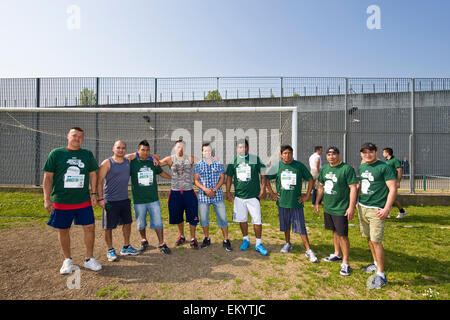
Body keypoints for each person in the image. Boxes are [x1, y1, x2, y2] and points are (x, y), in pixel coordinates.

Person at [42, 127, 102, 274]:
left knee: (90, 227)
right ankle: (67, 260)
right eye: (74, 135)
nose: (77, 138)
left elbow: (93, 174)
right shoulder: (56, 153)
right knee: (63, 229)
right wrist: (46, 199)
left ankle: (89, 259)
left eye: (80, 136)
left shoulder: (87, 154)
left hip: (83, 200)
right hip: (62, 200)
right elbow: (48, 177)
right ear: (67, 136)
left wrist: (94, 193)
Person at [266, 145, 318, 263]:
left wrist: (307, 195)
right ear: (281, 155)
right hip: (282, 202)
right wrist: (272, 194)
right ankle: (288, 243)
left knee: (301, 227)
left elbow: (310, 179)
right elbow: (267, 178)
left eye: (289, 153)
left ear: (292, 153)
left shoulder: (298, 166)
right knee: (285, 225)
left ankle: (308, 250)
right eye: (284, 153)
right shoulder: (278, 166)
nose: (287, 155)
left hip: (296, 203)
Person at [358, 142, 397, 289]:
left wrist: (387, 208)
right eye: (364, 152)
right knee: (368, 238)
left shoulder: (384, 168)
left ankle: (381, 274)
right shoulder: (362, 166)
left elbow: (393, 188)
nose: (367, 154)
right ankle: (375, 264)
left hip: (377, 210)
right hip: (363, 207)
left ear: (376, 152)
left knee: (376, 241)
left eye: (370, 152)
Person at [313, 146, 358, 275]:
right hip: (329, 207)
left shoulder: (346, 169)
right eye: (328, 154)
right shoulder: (325, 169)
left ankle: (345, 262)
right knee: (334, 231)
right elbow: (320, 187)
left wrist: (351, 207)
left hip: (341, 208)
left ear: (338, 155)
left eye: (334, 154)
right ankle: (337, 254)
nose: (331, 156)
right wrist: (317, 202)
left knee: (343, 235)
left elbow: (353, 188)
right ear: (326, 156)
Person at [97, 140, 141, 263]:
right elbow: (99, 181)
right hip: (110, 200)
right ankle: (110, 250)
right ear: (113, 148)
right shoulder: (107, 163)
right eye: (118, 148)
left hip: (124, 199)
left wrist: (154, 157)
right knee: (108, 227)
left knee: (127, 223)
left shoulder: (127, 160)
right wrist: (100, 198)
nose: (120, 150)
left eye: (123, 148)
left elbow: (140, 153)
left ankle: (126, 247)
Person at [126, 140, 172, 254]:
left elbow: (160, 172)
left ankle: (161, 243)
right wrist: (144, 156)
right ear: (138, 151)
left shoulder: (153, 163)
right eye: (142, 150)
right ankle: (144, 240)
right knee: (140, 223)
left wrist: (172, 178)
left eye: (147, 150)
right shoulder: (132, 163)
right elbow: (125, 157)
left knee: (158, 222)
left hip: (153, 199)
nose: (145, 152)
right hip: (138, 200)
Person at [225, 139, 268, 256]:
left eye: (244, 147)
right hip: (239, 197)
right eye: (239, 147)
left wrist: (263, 188)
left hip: (253, 196)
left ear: (248, 148)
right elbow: (229, 177)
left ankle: (258, 243)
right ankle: (246, 240)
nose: (242, 149)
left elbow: (263, 172)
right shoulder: (233, 161)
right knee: (242, 219)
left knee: (257, 220)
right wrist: (228, 191)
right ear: (236, 149)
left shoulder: (255, 159)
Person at [158, 140, 200, 249]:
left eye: (182, 147)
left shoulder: (190, 158)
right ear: (174, 148)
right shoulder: (170, 159)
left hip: (188, 192)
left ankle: (193, 238)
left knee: (192, 216)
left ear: (185, 149)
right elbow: (157, 164)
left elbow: (203, 162)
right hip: (175, 192)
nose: (180, 149)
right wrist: (152, 157)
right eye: (178, 147)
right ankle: (181, 235)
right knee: (178, 215)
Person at [194, 143, 232, 251]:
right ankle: (206, 238)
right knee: (204, 219)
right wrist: (205, 189)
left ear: (212, 152)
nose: (207, 152)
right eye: (205, 151)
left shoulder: (218, 163)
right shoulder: (198, 164)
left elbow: (222, 178)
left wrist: (214, 190)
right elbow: (196, 180)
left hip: (217, 195)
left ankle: (226, 240)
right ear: (202, 152)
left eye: (209, 151)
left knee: (223, 218)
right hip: (203, 197)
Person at [383, 148, 407, 219]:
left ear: (387, 153)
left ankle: (402, 211)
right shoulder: (387, 161)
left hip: (393, 182)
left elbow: (399, 170)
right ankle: (388, 212)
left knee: (392, 197)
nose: (383, 154)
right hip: (387, 181)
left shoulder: (395, 160)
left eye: (384, 152)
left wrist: (398, 181)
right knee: (387, 197)